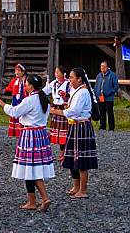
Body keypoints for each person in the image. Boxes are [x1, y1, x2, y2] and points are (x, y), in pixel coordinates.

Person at [0, 74, 54, 212]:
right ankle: (33, 200)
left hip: (29, 134)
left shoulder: (30, 100)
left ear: (31, 86)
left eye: (26, 84)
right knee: (33, 168)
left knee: (29, 168)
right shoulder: (44, 99)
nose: (24, 86)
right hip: (41, 134)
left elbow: (14, 112)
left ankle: (42, 198)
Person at [51, 67, 98, 199]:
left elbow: (74, 111)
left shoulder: (83, 92)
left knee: (82, 159)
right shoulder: (76, 90)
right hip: (74, 126)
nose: (70, 80)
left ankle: (83, 190)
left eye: (72, 77)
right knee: (72, 158)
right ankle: (76, 186)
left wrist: (56, 111)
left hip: (81, 126)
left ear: (79, 79)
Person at [43, 65, 70, 160]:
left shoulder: (68, 84)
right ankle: (61, 152)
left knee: (64, 132)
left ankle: (64, 153)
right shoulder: (54, 83)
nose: (56, 74)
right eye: (55, 72)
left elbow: (71, 96)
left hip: (63, 108)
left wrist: (66, 96)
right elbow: (45, 91)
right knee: (56, 132)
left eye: (58, 72)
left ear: (63, 74)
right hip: (55, 107)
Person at [94, 61, 119, 131]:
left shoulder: (112, 75)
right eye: (101, 66)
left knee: (110, 113)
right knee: (102, 112)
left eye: (104, 66)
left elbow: (116, 87)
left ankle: (111, 128)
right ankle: (102, 126)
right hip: (100, 97)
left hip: (109, 98)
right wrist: (96, 93)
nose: (102, 68)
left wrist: (110, 92)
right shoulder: (99, 75)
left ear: (107, 67)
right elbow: (96, 85)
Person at [4, 63, 27, 137]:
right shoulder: (14, 81)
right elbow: (9, 88)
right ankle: (18, 143)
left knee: (23, 126)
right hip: (15, 104)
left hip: (24, 104)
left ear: (23, 72)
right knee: (17, 129)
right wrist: (5, 90)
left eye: (18, 70)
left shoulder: (27, 81)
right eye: (15, 70)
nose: (16, 72)